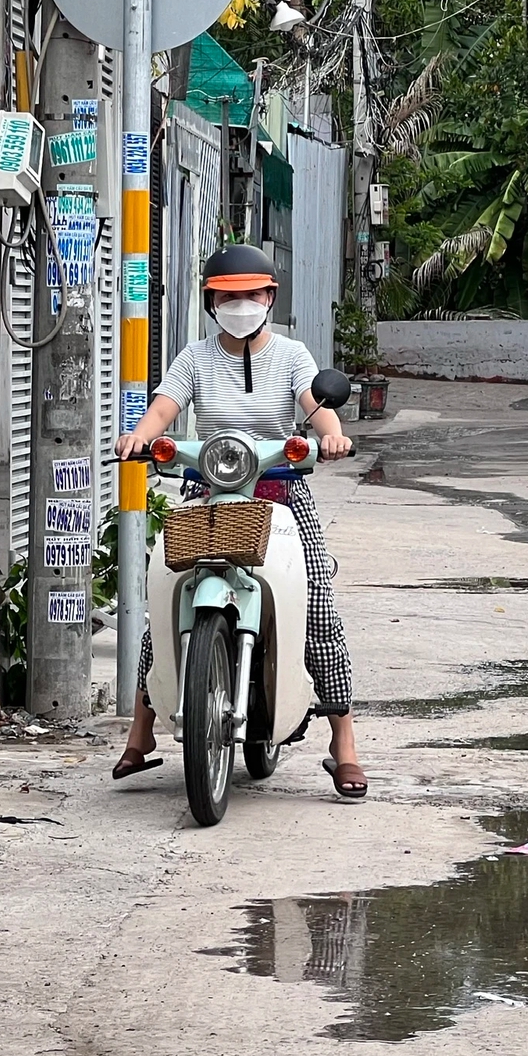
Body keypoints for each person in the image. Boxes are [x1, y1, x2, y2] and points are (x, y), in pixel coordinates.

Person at [109, 244, 366, 801]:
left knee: (317, 604)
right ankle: (142, 728)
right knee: (165, 595)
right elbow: (163, 408)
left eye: (251, 294)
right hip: (209, 490)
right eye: (228, 296)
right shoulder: (195, 358)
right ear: (211, 302)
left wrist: (330, 432)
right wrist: (140, 435)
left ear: (270, 297)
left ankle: (343, 743)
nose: (241, 304)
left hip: (281, 491)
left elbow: (316, 406)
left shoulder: (293, 355)